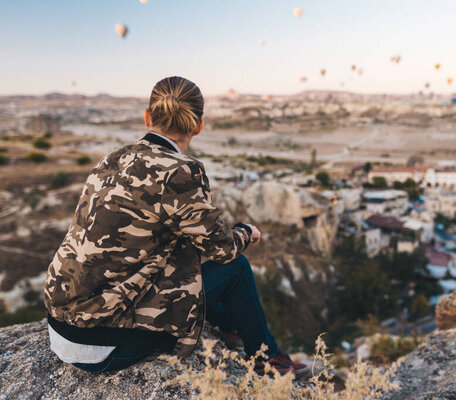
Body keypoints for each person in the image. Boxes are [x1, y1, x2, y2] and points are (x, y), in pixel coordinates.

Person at [44, 76, 308, 376]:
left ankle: (231, 329)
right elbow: (221, 249)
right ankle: (268, 357)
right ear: (198, 125)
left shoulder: (111, 160)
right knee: (236, 269)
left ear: (147, 117)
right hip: (104, 341)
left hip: (62, 324)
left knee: (182, 255)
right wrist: (246, 232)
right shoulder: (181, 171)